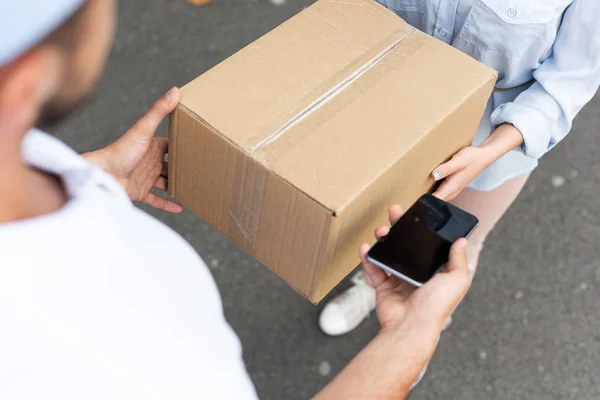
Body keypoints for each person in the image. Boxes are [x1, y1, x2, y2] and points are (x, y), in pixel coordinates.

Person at [0, 1, 474, 398]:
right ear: (26, 84)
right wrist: (412, 334)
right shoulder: (92, 349)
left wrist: (93, 179)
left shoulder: (34, 169)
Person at [320, 0, 600, 336]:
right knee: (380, 220)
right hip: (392, 105)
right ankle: (374, 282)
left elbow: (568, 83)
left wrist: (488, 152)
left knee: (451, 247)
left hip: (491, 135)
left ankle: (418, 337)